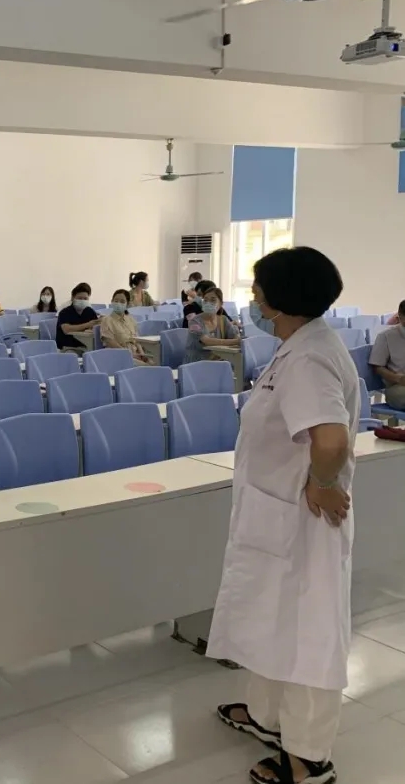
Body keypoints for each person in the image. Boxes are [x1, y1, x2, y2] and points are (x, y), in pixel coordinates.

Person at [209, 247, 357, 784]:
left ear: (279, 299)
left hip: (303, 521)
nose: (253, 298)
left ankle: (308, 757)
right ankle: (268, 717)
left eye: (258, 290)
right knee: (273, 620)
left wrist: (322, 484)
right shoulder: (301, 346)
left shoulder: (310, 358)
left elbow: (331, 440)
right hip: (278, 516)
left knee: (308, 632)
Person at [184, 287, 240, 364]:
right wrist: (236, 341)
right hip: (196, 364)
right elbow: (207, 341)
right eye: (205, 300)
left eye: (213, 300)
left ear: (221, 304)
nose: (208, 303)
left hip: (218, 362)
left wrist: (238, 339)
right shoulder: (194, 321)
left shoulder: (223, 320)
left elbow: (235, 335)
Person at [369, 299, 405, 410]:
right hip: (397, 387)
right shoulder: (386, 336)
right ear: (400, 317)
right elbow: (377, 367)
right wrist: (397, 378)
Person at [99, 289, 147, 362]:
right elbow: (110, 343)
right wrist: (130, 355)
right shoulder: (106, 320)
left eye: (122, 301)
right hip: (119, 356)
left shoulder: (130, 319)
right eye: (116, 301)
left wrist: (142, 353)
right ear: (112, 301)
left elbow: (137, 340)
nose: (118, 303)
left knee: (155, 364)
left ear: (127, 304)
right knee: (146, 367)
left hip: (136, 354)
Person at [56, 283, 99, 352]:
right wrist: (88, 324)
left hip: (87, 346)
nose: (82, 301)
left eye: (85, 299)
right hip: (68, 347)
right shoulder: (64, 312)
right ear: (73, 298)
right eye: (80, 298)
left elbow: (95, 325)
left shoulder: (89, 311)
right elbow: (66, 330)